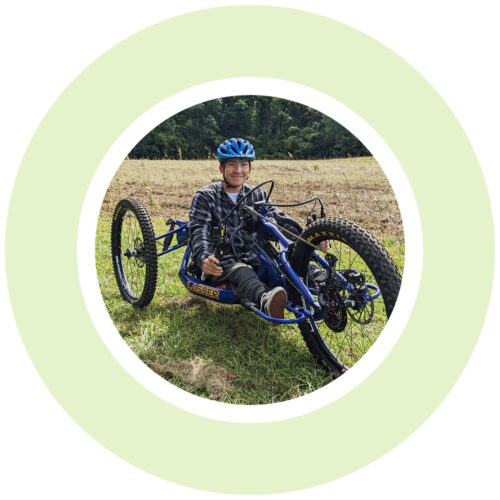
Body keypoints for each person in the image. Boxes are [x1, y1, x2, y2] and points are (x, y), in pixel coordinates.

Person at [188, 138, 301, 323]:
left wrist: (306, 238)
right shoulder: (205, 196)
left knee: (290, 263)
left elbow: (278, 221)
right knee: (242, 272)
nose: (238, 170)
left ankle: (322, 283)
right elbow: (198, 230)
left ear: (250, 169)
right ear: (221, 169)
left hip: (255, 254)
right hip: (222, 259)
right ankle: (266, 300)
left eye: (243, 164)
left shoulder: (258, 195)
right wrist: (203, 258)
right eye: (232, 164)